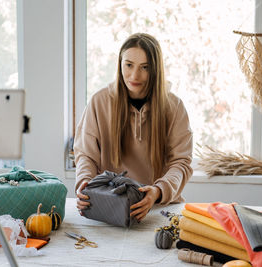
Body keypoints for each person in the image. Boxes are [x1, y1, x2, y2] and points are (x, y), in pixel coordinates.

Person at [74, 33, 193, 222]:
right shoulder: (99, 102)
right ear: (120, 63)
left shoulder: (174, 106)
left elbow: (181, 163)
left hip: (159, 208)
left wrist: (157, 191)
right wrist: (84, 183)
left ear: (155, 70)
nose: (135, 76)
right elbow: (86, 154)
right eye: (129, 65)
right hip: (109, 206)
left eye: (144, 68)